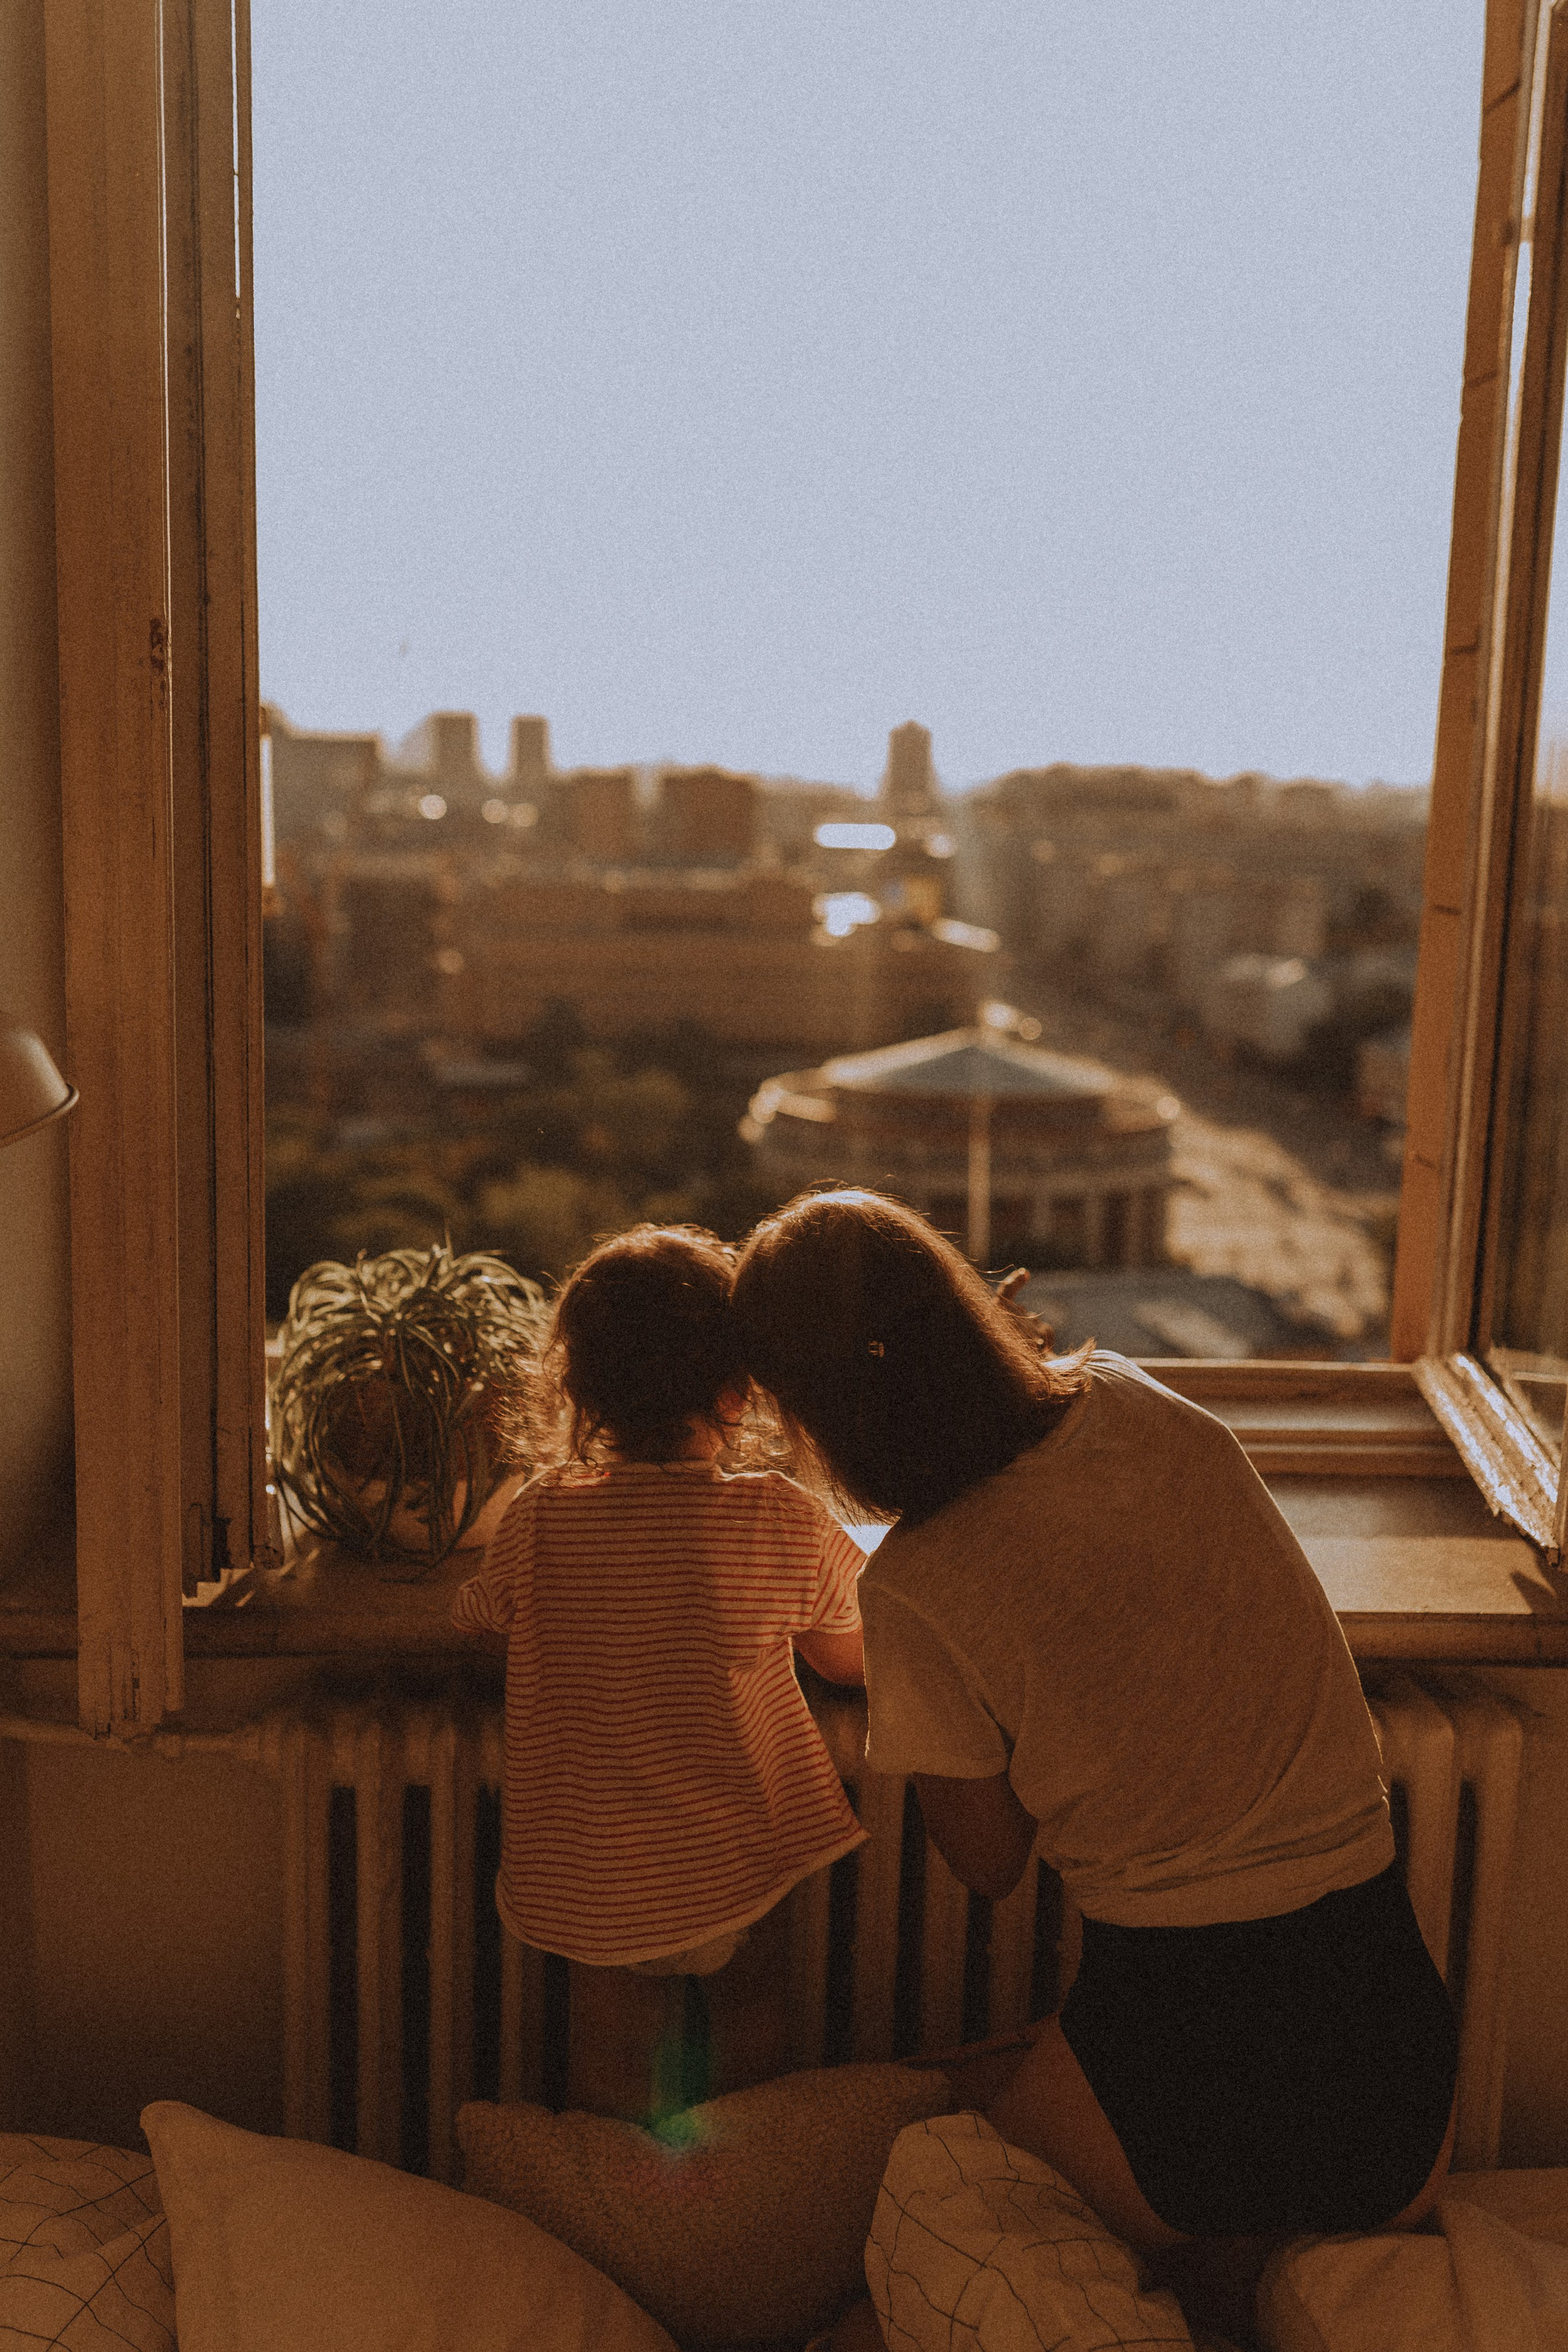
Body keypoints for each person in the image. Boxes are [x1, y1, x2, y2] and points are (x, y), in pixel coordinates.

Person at [731, 1188, 1458, 2332]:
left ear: (815, 1411)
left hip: (1190, 2037)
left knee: (934, 2192)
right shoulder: (1144, 1402)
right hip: (1398, 2059)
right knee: (1224, 2270)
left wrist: (921, 1707)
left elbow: (988, 1863)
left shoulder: (917, 1585)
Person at [451, 1223, 867, 2122]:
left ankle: (615, 2231)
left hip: (592, 1879)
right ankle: (735, 2226)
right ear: (736, 1391)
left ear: (581, 1391)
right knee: (755, 2057)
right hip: (737, 1863)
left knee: (607, 2069)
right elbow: (849, 1654)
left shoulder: (540, 1516)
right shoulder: (776, 1517)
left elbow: (485, 1624)